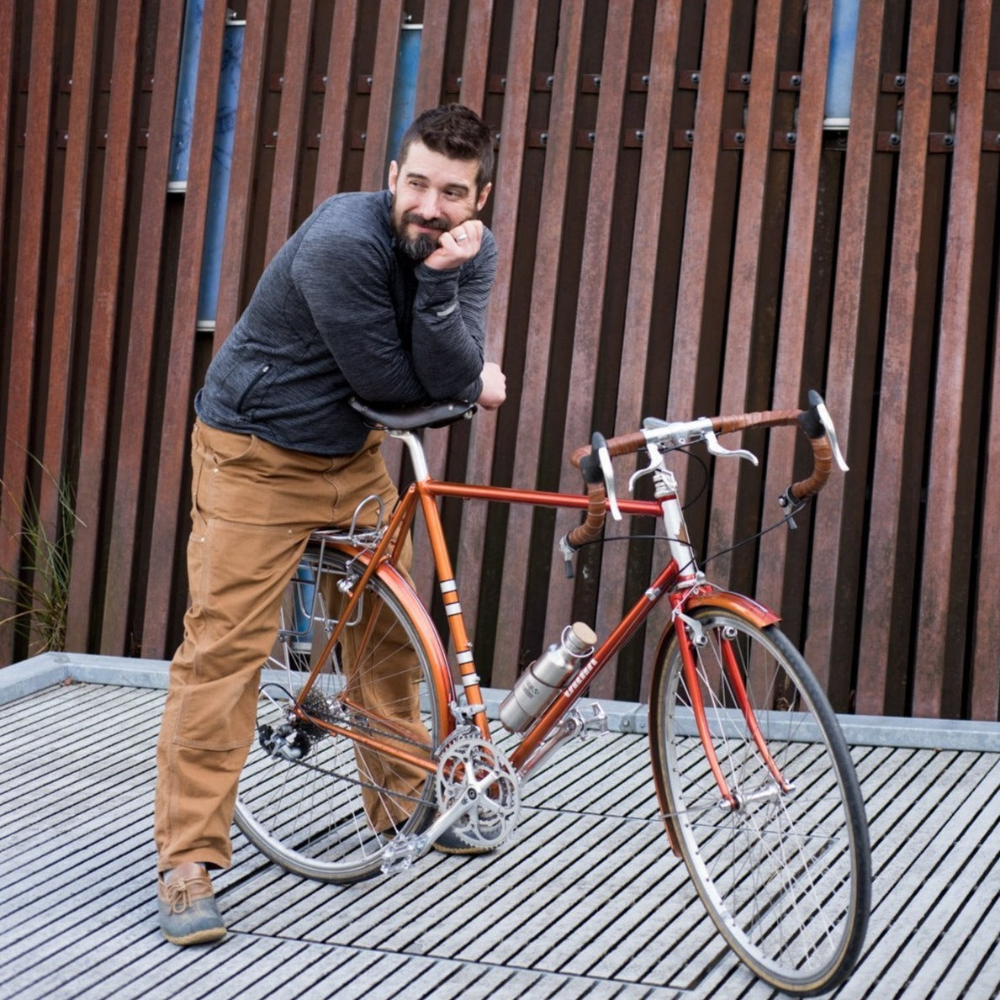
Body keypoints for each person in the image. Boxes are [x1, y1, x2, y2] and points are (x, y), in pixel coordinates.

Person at [154, 104, 505, 946]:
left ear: (478, 197)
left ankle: (400, 809)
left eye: (451, 193)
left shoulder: (467, 251)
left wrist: (445, 291)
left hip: (350, 456)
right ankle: (187, 860)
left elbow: (447, 368)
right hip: (256, 451)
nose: (430, 205)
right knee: (225, 649)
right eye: (416, 182)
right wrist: (459, 366)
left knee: (388, 636)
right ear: (392, 177)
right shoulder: (341, 243)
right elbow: (398, 383)